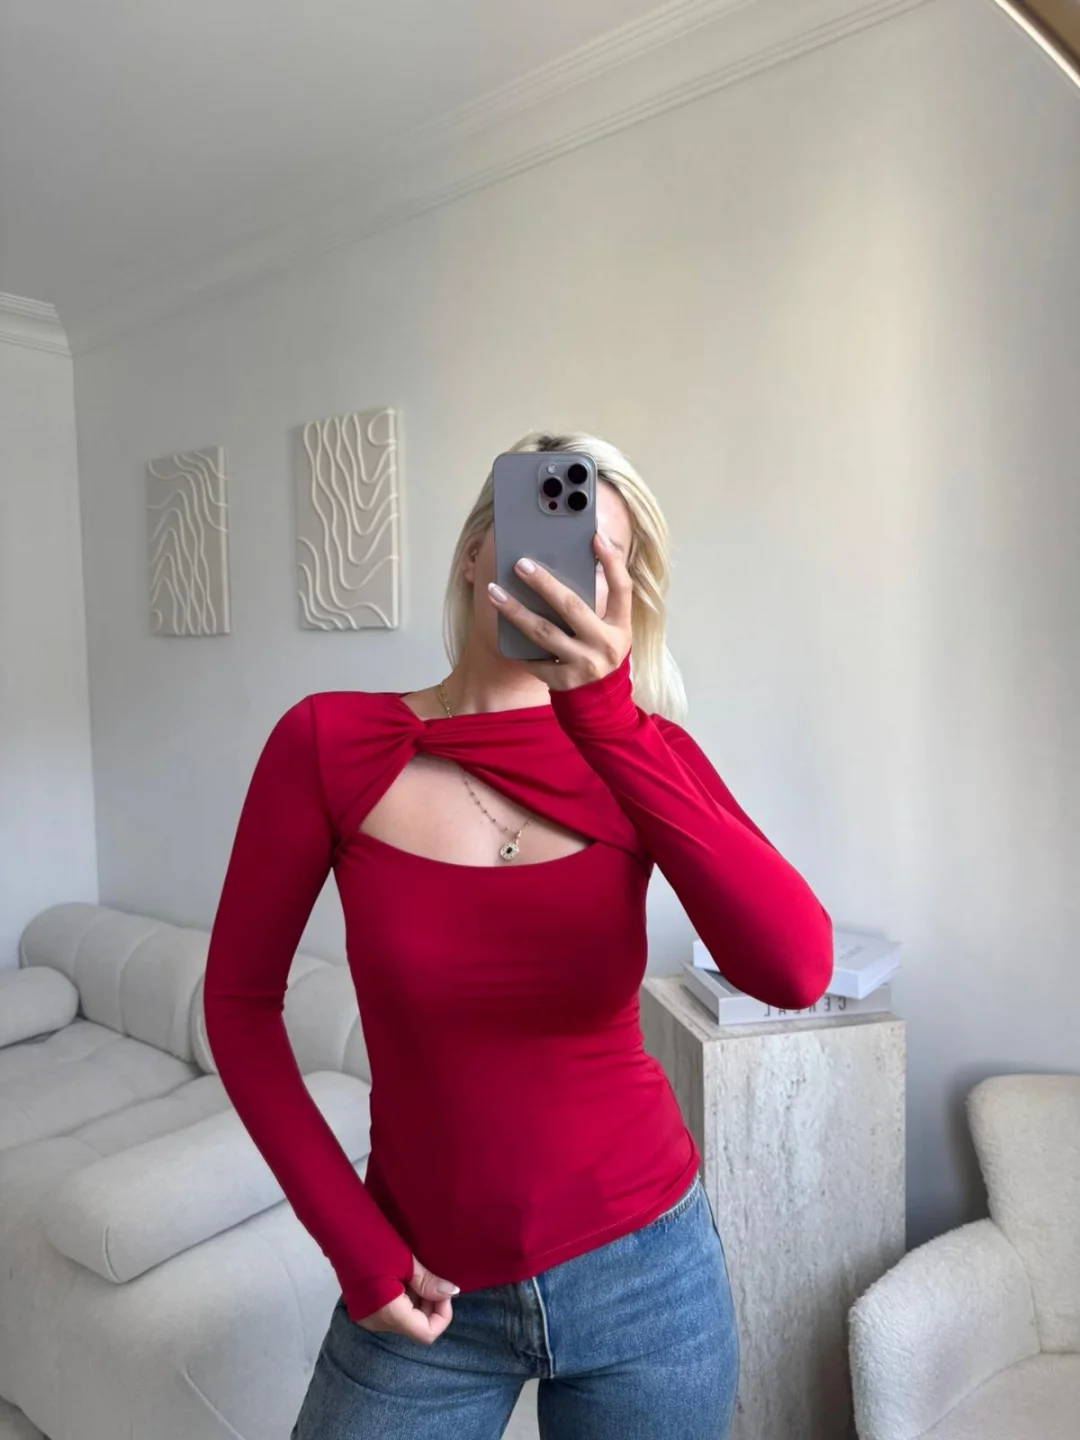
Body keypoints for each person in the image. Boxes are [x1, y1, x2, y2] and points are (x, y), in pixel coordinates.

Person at [203, 430, 834, 1440]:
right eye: (543, 531)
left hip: (649, 1279)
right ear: (472, 554)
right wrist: (353, 1245)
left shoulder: (647, 754)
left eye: (600, 556)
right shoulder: (331, 744)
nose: (562, 571)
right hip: (423, 1280)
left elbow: (795, 969)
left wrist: (610, 722)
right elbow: (239, 1008)